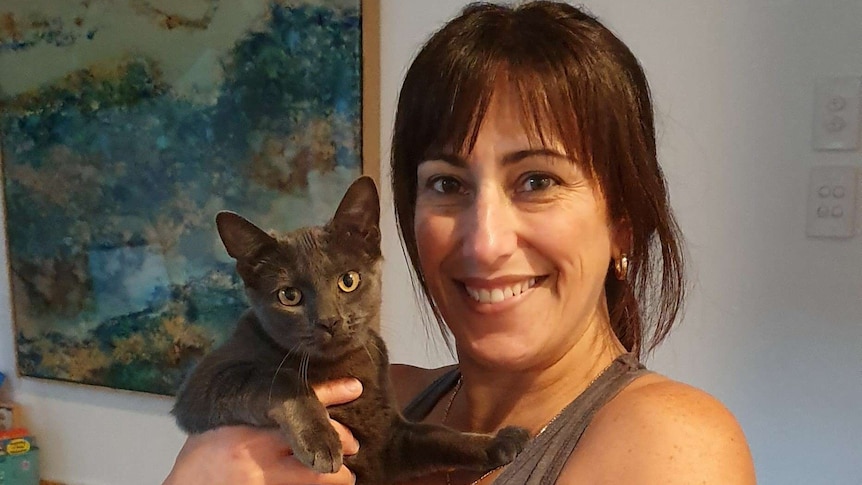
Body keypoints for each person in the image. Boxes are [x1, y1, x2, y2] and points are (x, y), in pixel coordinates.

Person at [163, 1, 756, 484]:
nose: (486, 240)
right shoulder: (383, 390)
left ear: (623, 219)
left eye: (537, 180)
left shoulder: (671, 445)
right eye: (447, 184)